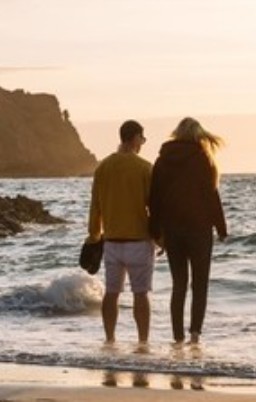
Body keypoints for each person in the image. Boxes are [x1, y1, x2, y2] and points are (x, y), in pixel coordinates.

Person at [149, 117, 228, 345]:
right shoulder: (202, 158)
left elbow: (155, 199)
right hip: (199, 230)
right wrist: (221, 228)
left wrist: (156, 231)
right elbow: (211, 195)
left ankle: (177, 337)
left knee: (179, 284)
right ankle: (194, 335)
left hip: (173, 230)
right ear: (197, 135)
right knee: (200, 283)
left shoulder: (162, 160)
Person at [87, 120, 156, 345]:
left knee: (111, 293)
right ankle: (143, 342)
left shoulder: (103, 167)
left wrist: (94, 234)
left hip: (112, 241)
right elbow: (154, 206)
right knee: (141, 294)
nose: (142, 143)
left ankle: (110, 340)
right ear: (135, 138)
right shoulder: (145, 168)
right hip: (138, 241)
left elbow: (95, 206)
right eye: (142, 139)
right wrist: (161, 237)